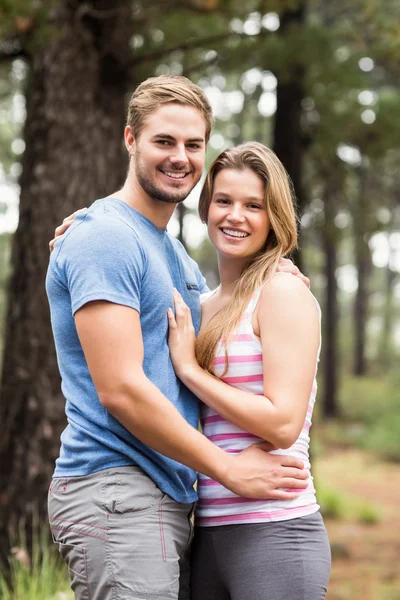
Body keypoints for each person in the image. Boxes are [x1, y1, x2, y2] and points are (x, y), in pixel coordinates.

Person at [46, 75, 310, 600]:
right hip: (116, 490)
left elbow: (217, 322)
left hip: (166, 498)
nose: (180, 157)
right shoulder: (106, 236)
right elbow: (120, 389)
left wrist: (273, 270)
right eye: (163, 141)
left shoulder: (173, 256)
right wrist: (229, 470)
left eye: (193, 145)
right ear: (130, 140)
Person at [167, 142, 331, 599]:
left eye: (253, 205)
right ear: (206, 206)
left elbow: (282, 423)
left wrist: (191, 370)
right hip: (208, 534)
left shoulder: (282, 293)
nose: (235, 215)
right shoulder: (200, 305)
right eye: (224, 201)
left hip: (275, 531)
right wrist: (81, 229)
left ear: (273, 215)